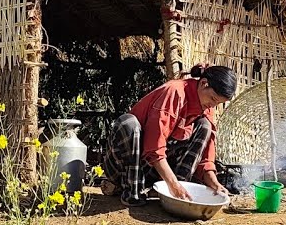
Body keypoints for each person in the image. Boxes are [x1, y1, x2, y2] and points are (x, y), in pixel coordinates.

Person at [102, 64, 238, 207]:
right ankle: (132, 193)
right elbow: (154, 148)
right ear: (204, 83)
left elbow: (206, 156)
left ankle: (177, 194)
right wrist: (173, 184)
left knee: (205, 126)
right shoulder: (174, 92)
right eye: (213, 99)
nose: (212, 106)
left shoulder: (206, 106)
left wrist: (215, 184)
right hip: (124, 168)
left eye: (218, 103)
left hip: (152, 170)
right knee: (129, 123)